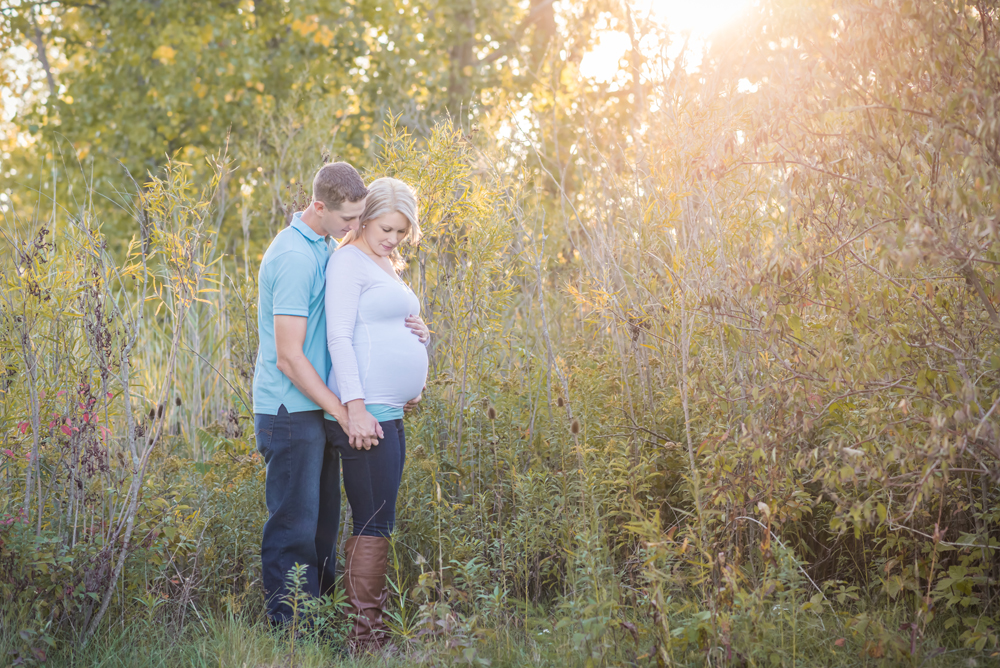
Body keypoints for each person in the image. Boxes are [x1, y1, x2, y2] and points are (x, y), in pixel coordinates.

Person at [252, 164, 428, 625]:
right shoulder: (293, 256)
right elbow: (289, 357)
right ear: (319, 207)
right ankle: (292, 636)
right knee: (294, 527)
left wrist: (411, 333)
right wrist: (349, 411)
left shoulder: (328, 249)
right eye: (350, 219)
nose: (355, 228)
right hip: (289, 408)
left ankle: (323, 627)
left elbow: (359, 321)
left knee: (322, 528)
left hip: (317, 409)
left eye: (359, 219)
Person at [324, 177, 428, 650]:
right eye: (386, 228)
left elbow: (383, 326)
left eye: (401, 233)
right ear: (364, 218)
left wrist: (420, 335)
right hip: (366, 415)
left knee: (379, 517)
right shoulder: (347, 261)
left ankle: (370, 632)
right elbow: (340, 337)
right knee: (372, 521)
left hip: (391, 411)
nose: (392, 239)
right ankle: (364, 639)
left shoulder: (383, 262)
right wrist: (357, 409)